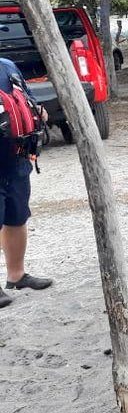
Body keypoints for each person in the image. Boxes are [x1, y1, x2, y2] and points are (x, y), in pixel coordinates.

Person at [0, 58, 51, 309]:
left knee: (17, 217)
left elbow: (30, 99)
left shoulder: (7, 66)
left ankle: (16, 276)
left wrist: (38, 113)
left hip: (16, 158)